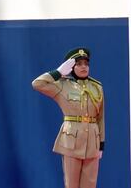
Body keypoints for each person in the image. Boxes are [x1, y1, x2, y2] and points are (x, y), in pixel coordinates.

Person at [32, 47, 105, 188]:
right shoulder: (62, 85)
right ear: (71, 67)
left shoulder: (97, 87)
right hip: (71, 141)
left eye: (86, 64)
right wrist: (58, 72)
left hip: (92, 142)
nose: (83, 67)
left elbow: (100, 118)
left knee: (90, 184)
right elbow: (37, 84)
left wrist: (101, 144)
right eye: (79, 64)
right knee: (71, 184)